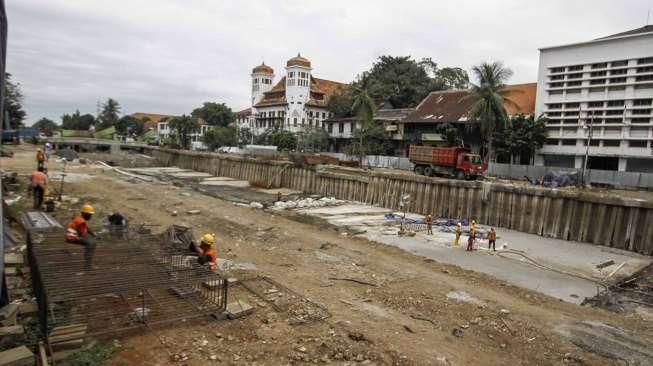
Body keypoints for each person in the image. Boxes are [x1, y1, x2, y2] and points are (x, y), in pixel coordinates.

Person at [65, 204, 97, 270]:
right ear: (85, 214)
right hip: (72, 237)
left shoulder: (80, 218)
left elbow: (87, 228)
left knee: (90, 242)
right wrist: (91, 239)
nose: (91, 216)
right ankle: (88, 266)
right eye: (90, 215)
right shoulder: (81, 221)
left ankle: (87, 263)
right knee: (91, 244)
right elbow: (83, 234)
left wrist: (94, 235)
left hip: (70, 236)